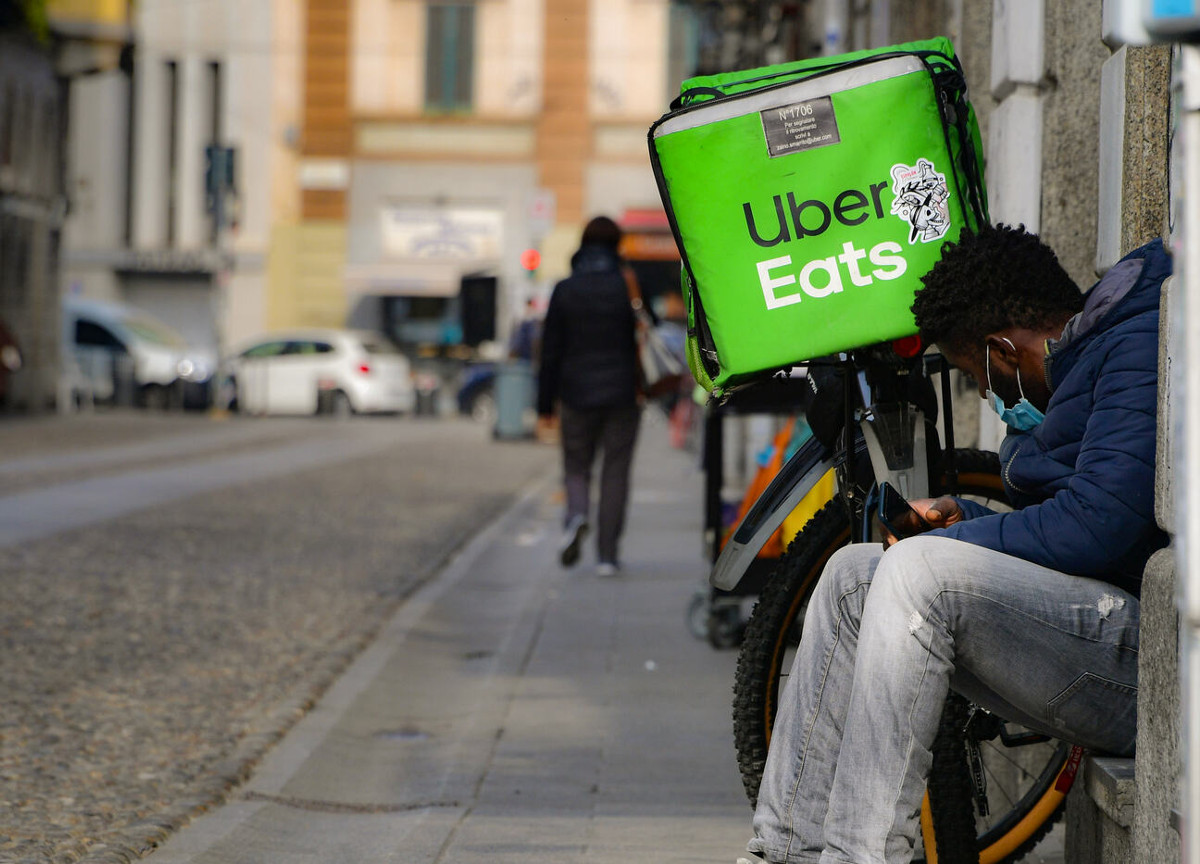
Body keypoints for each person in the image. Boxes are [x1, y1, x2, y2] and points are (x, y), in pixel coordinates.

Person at [741, 224, 1170, 864]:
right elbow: (1079, 516)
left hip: (1152, 665)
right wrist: (960, 515)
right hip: (1098, 627)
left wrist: (962, 537)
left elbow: (1096, 527)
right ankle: (783, 852)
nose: (993, 399)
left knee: (917, 575)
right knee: (855, 573)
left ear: (1002, 348)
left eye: (978, 378)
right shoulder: (1086, 359)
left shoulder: (1135, 347)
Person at [537, 216, 642, 576]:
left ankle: (577, 514)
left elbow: (549, 350)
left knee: (576, 467)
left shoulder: (565, 289)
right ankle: (607, 557)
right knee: (615, 472)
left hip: (576, 393)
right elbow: (647, 333)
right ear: (616, 245)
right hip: (623, 393)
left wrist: (544, 404)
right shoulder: (625, 286)